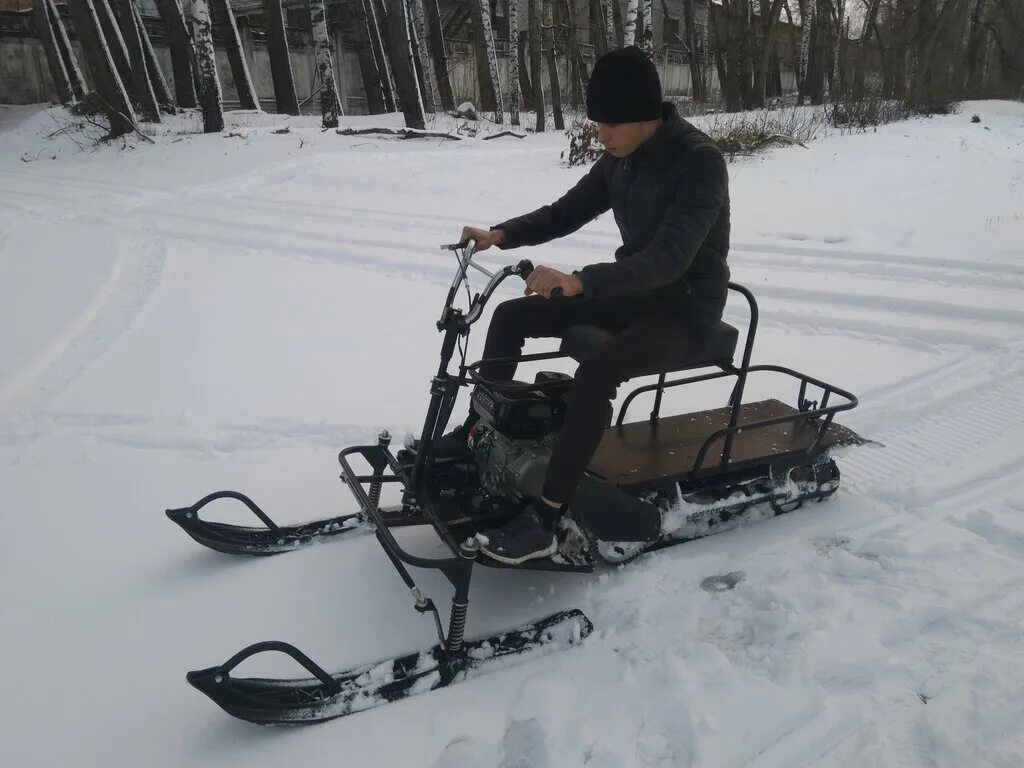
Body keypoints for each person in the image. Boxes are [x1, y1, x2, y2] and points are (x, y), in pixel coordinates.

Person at [449, 46, 731, 564]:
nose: (597, 133)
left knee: (598, 367)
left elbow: (669, 259)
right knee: (513, 315)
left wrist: (580, 284)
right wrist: (502, 234)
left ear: (642, 115)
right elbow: (568, 210)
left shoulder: (700, 164)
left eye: (606, 123)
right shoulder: (620, 160)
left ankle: (546, 516)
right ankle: (476, 436)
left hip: (684, 310)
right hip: (634, 295)